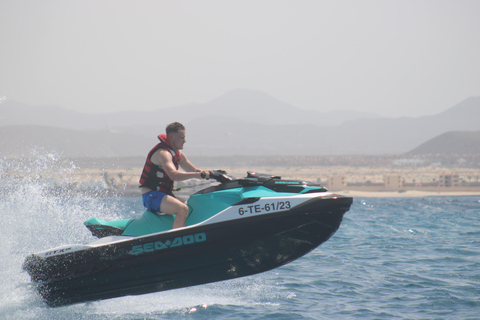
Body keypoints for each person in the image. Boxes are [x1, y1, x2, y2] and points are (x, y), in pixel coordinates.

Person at [139, 122, 212, 229]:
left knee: (192, 206)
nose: (185, 141)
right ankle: (177, 239)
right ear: (172, 137)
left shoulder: (178, 155)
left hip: (164, 195)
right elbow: (174, 175)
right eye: (182, 138)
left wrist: (212, 173)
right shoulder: (163, 154)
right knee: (182, 209)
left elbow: (194, 170)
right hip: (151, 196)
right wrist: (198, 175)